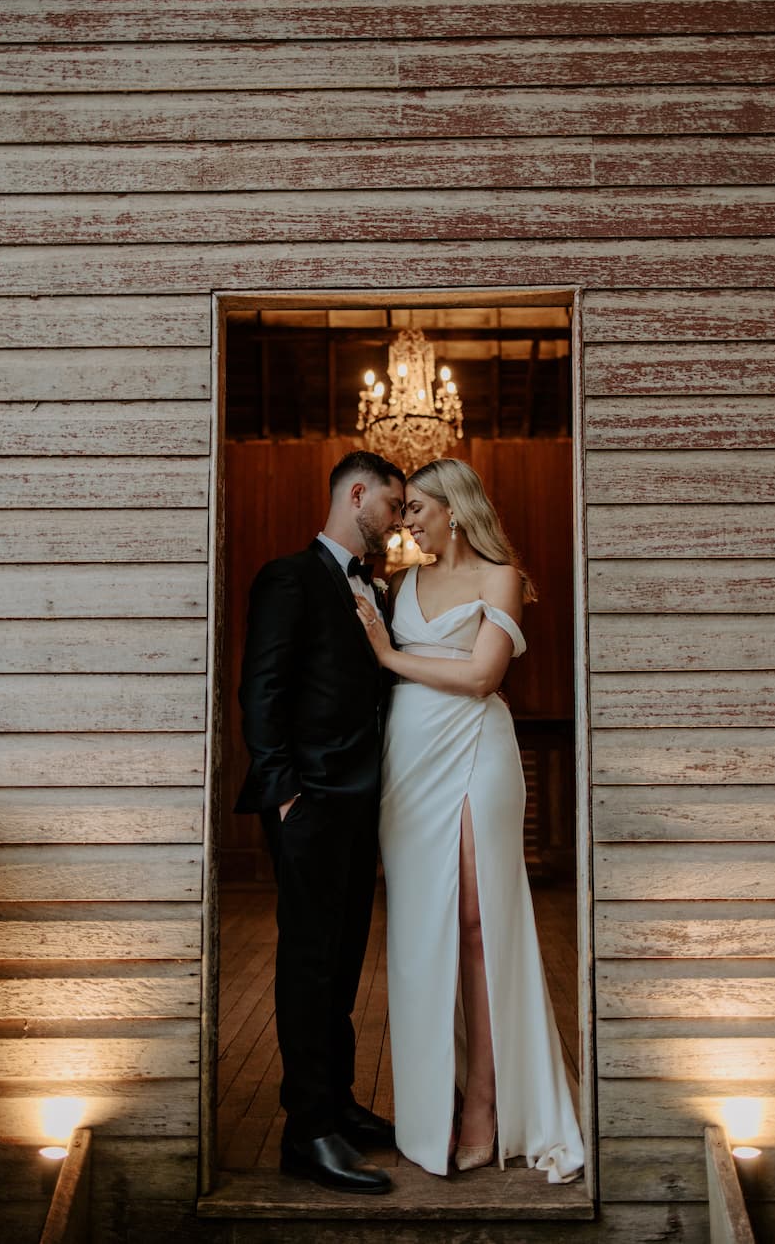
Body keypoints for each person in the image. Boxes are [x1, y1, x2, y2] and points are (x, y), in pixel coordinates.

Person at [355, 458, 584, 1182]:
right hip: (410, 760)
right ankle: (432, 1108)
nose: (406, 520)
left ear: (455, 507)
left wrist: (391, 654)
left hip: (478, 750)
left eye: (417, 507)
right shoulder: (399, 584)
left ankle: (485, 1102)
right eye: (403, 510)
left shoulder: (500, 576)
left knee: (482, 926)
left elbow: (485, 675)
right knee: (426, 932)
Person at [236, 450, 405, 1194]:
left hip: (359, 804)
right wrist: (283, 796)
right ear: (358, 494)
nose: (398, 523)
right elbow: (260, 688)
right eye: (394, 508)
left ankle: (335, 1104)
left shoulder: (371, 586)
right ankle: (306, 1131)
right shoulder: (290, 576)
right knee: (309, 965)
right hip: (308, 804)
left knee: (341, 964)